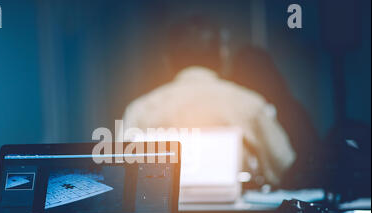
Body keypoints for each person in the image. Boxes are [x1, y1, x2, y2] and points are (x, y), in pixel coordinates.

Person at [119, 16, 295, 186]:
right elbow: (283, 164)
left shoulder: (139, 110)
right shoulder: (250, 104)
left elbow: (121, 174)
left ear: (167, 60)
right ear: (222, 55)